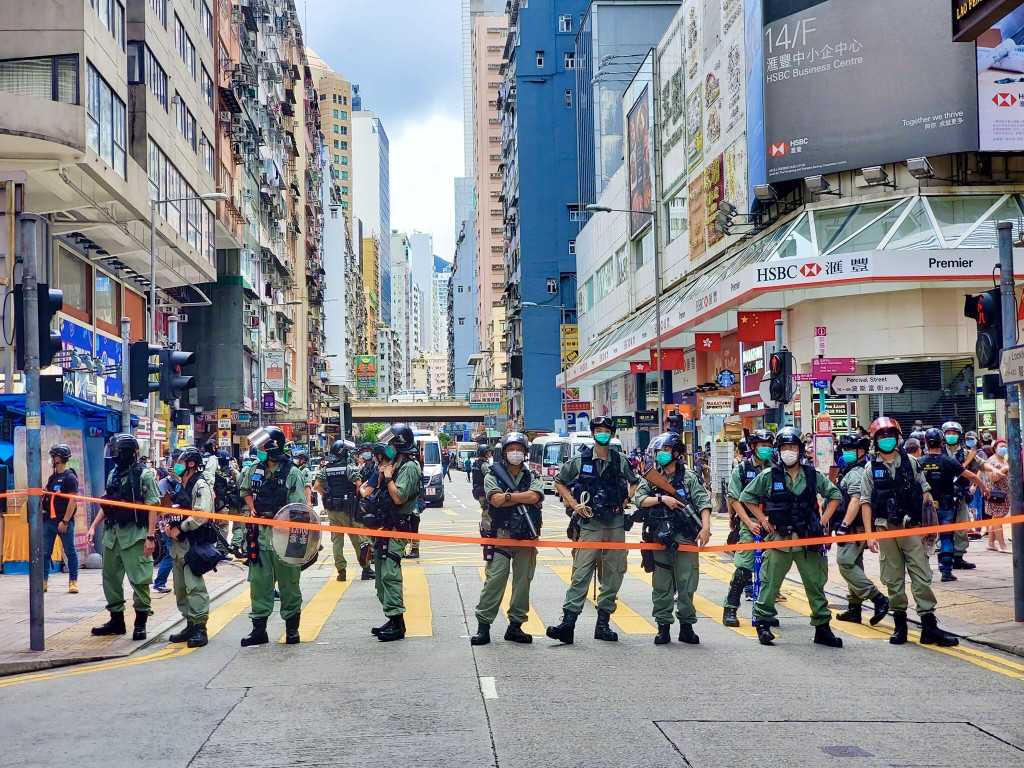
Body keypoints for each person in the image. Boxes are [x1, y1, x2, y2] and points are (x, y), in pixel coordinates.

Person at [855, 418, 958, 646]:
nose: (887, 439)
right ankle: (900, 625)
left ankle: (929, 626)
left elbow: (926, 495)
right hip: (886, 530)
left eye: (890, 435)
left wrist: (928, 528)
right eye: (881, 436)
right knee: (893, 580)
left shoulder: (911, 463)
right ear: (875, 441)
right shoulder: (871, 469)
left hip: (912, 529)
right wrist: (870, 535)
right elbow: (865, 503)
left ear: (898, 438)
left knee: (921, 576)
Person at [737, 428, 844, 648]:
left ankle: (822, 628)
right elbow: (746, 497)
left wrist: (822, 523)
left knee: (815, 585)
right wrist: (762, 520)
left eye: (792, 447)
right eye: (784, 448)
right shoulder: (769, 475)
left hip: (807, 540)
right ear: (779, 451)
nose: (788, 452)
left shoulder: (813, 475)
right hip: (779, 540)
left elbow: (835, 496)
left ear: (800, 450)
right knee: (769, 584)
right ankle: (763, 625)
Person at [547, 416, 639, 645]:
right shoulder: (580, 460)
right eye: (598, 430)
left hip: (615, 524)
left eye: (606, 431)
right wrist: (572, 503)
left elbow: (635, 481)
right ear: (592, 432)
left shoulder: (620, 460)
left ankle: (603, 623)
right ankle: (568, 624)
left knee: (614, 574)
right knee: (580, 574)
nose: (602, 434)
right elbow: (559, 481)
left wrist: (627, 499)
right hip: (589, 524)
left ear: (612, 434)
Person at [634, 432, 711, 645]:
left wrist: (705, 528)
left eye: (666, 451)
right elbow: (639, 500)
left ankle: (686, 626)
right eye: (659, 451)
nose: (661, 455)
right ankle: (663, 626)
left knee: (687, 584)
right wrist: (662, 498)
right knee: (661, 584)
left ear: (677, 454)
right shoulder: (651, 477)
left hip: (684, 538)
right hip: (659, 537)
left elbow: (703, 503)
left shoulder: (688, 477)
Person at [470, 432, 543, 646]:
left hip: (526, 538)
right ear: (504, 452)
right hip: (501, 536)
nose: (515, 453)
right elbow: (495, 500)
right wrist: (522, 497)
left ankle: (515, 627)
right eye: (511, 449)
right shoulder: (493, 474)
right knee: (494, 581)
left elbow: (535, 496)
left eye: (519, 449)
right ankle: (483, 627)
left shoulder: (533, 476)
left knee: (522, 584)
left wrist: (509, 496)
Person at [238, 426, 307, 646]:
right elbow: (245, 491)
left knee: (289, 583)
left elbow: (298, 508)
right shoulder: (254, 469)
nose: (258, 449)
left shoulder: (292, 472)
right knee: (259, 583)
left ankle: (292, 629)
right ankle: (259, 630)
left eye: (262, 446)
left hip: (285, 536)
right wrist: (253, 509)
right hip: (259, 535)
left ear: (272, 448)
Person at [87, 433, 161, 641]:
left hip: (135, 536)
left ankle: (140, 623)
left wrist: (150, 536)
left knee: (140, 580)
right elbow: (108, 504)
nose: (115, 455)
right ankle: (116, 621)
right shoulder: (114, 475)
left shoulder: (144, 475)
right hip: (112, 536)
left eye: (117, 451)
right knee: (110, 579)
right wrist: (93, 526)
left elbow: (153, 506)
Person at [367, 425, 422, 642]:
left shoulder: (409, 467)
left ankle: (398, 623)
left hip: (397, 527)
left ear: (398, 444)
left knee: (390, 573)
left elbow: (399, 497)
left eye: (391, 444)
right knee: (380, 577)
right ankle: (391, 618)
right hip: (383, 526)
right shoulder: (394, 464)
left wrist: (389, 478)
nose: (388, 448)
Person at [831, 434, 890, 625]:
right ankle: (854, 608)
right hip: (854, 527)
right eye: (845, 449)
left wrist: (844, 525)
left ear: (862, 451)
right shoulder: (854, 468)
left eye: (850, 450)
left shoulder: (857, 472)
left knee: (845, 563)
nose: (846, 453)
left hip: (852, 527)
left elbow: (856, 499)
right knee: (855, 564)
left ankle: (878, 598)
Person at [919, 428, 988, 582]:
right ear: (942, 442)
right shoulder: (948, 461)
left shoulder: (920, 462)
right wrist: (983, 487)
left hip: (925, 507)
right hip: (946, 505)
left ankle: (923, 572)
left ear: (925, 443)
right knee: (946, 538)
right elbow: (970, 475)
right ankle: (946, 571)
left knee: (923, 539)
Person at [722, 429, 775, 627]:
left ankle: (764, 611)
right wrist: (749, 523)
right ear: (753, 447)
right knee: (744, 569)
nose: (767, 449)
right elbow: (734, 498)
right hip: (749, 523)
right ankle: (730, 609)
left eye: (770, 446)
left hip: (771, 524)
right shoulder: (742, 470)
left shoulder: (776, 468)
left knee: (770, 570)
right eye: (763, 445)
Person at [163, 447, 215, 648]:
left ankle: (200, 628)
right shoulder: (180, 486)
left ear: (191, 464)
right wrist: (168, 526)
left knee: (194, 587)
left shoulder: (199, 485)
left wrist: (181, 529)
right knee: (181, 589)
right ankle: (190, 624)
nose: (176, 464)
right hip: (178, 546)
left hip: (192, 544)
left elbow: (201, 515)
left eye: (180, 461)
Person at [315, 439, 372, 582]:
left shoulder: (326, 469)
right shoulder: (349, 468)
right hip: (350, 510)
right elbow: (359, 484)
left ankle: (341, 571)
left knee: (337, 542)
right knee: (358, 540)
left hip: (333, 510)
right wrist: (358, 499)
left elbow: (316, 485)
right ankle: (366, 569)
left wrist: (326, 495)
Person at [943, 421, 988, 570]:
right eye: (948, 433)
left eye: (954, 433)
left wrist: (995, 469)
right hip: (942, 496)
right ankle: (944, 558)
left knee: (961, 526)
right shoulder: (938, 452)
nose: (951, 436)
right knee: (943, 529)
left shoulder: (966, 453)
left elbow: (982, 464)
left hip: (960, 495)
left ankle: (958, 557)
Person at [41, 444, 80, 594]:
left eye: (52, 456)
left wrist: (65, 521)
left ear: (58, 458)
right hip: (48, 521)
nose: (51, 459)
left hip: (63, 522)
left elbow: (73, 501)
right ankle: (43, 581)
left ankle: (73, 581)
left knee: (70, 552)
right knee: (45, 552)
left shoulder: (70, 477)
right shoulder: (53, 477)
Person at [153, 463, 181, 593]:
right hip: (167, 525)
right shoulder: (164, 483)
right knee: (171, 554)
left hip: (176, 523)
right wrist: (166, 522)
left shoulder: (180, 482)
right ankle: (159, 582)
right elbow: (159, 505)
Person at [983, 439, 1011, 552]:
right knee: (997, 519)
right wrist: (1003, 470)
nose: (1003, 448)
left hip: (1004, 494)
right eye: (1001, 446)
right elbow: (992, 478)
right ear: (995, 448)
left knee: (996, 518)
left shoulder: (1004, 460)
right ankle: (1003, 545)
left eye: (1005, 446)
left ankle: (991, 543)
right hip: (996, 494)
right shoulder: (992, 461)